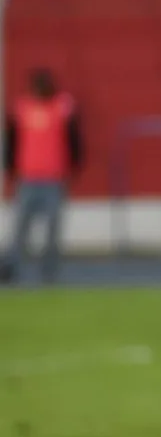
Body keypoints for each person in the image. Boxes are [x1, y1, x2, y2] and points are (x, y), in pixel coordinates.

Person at [3, 69, 82, 283]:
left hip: (54, 178)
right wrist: (10, 167)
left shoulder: (62, 107)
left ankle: (49, 272)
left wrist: (73, 165)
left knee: (52, 230)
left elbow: (74, 138)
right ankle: (12, 268)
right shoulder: (22, 109)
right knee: (20, 227)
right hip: (27, 177)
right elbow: (12, 140)